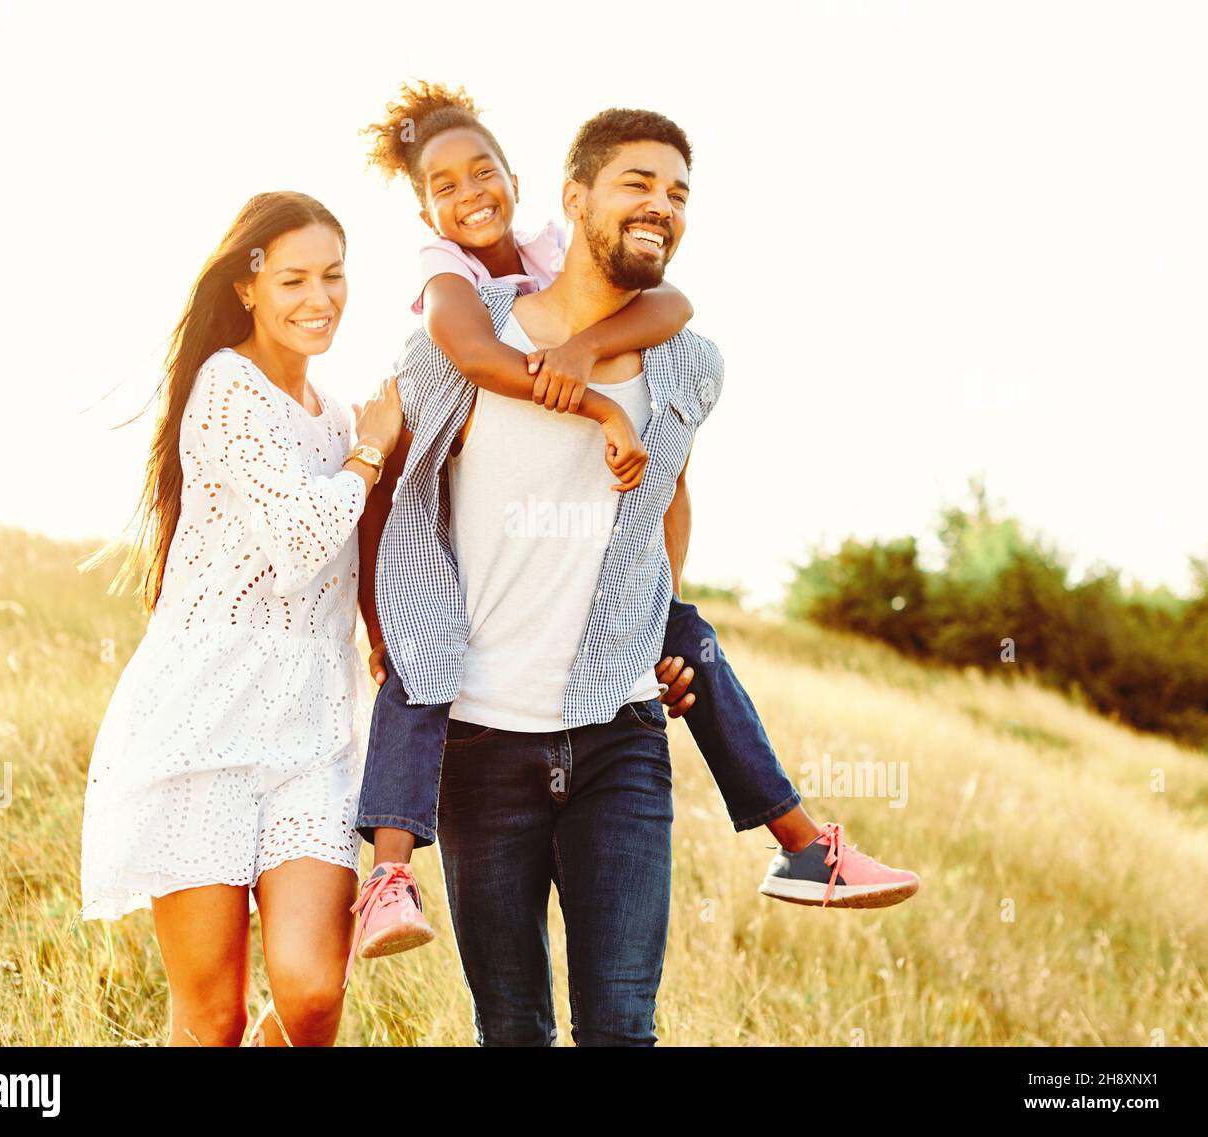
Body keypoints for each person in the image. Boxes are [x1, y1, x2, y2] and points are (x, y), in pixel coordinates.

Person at [345, 87, 921, 998]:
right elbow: (394, 497)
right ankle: (386, 869)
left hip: (620, 737)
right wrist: (389, 630)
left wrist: (647, 621)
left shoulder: (691, 359)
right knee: (515, 1030)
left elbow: (669, 494)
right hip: (480, 744)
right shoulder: (460, 333)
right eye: (638, 182)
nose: (662, 203)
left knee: (622, 1026)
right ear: (574, 200)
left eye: (680, 192)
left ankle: (806, 849)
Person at [78, 191, 403, 1047]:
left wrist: (384, 637)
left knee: (311, 996)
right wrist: (371, 452)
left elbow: (354, 557)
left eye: (334, 275)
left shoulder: (336, 417)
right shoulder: (228, 387)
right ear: (249, 286)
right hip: (202, 729)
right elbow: (302, 536)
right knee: (212, 1016)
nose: (320, 298)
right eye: (294, 278)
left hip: (311, 737)